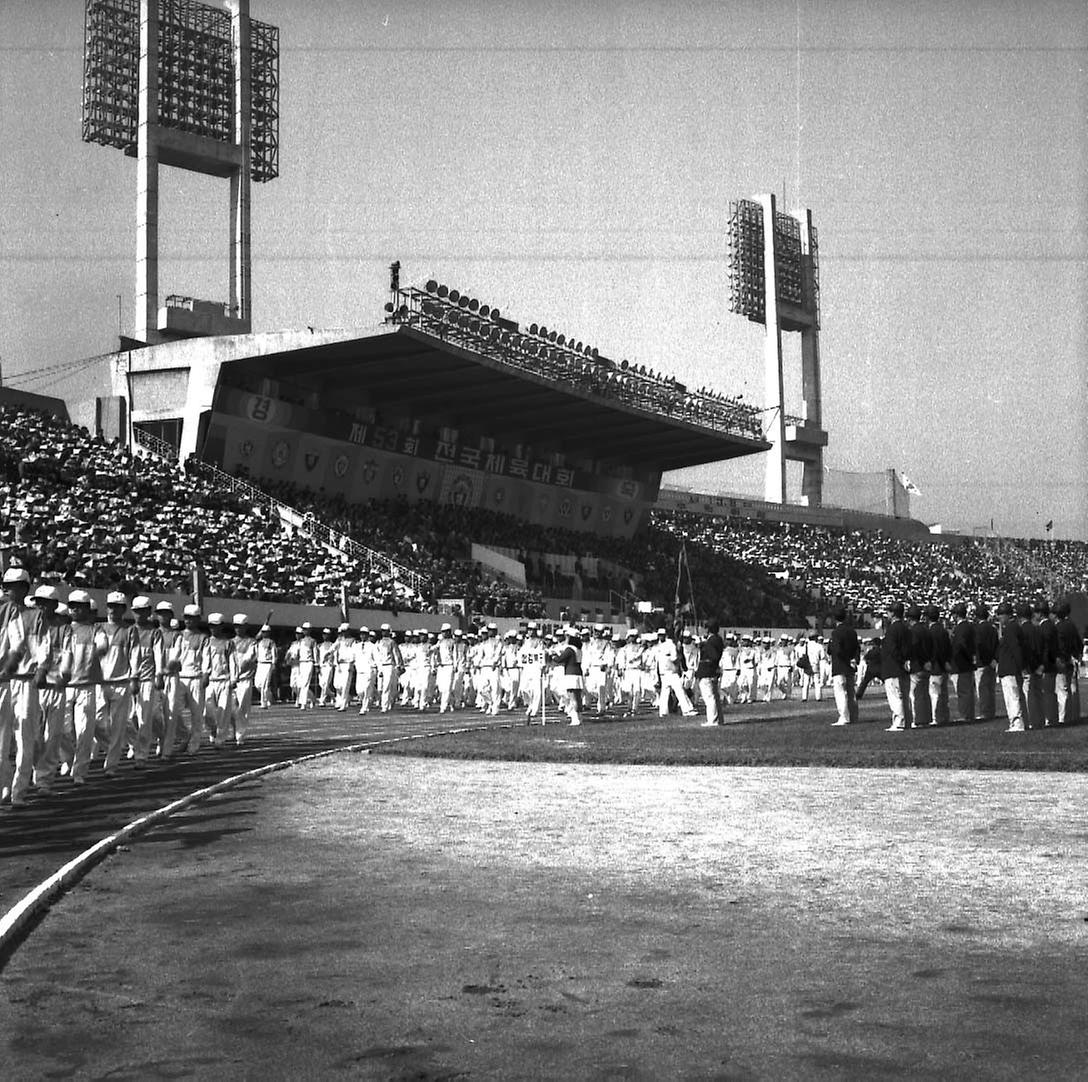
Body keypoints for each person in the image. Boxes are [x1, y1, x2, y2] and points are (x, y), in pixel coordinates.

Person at [0, 568, 43, 807]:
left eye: (14, 585)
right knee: (1, 741)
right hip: (3, 682)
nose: (9, 589)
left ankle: (19, 791)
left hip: (24, 681)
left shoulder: (33, 616)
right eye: (6, 584)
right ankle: (5, 788)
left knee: (25, 736)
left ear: (25, 588)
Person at [651, 627, 696, 719]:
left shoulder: (670, 644)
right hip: (663, 673)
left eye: (662, 635)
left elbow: (675, 658)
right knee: (665, 693)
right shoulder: (657, 647)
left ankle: (687, 710)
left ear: (665, 635)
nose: (660, 637)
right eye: (659, 635)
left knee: (679, 690)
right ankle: (663, 712)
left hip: (672, 672)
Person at [881, 602, 912, 732]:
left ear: (893, 613)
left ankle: (899, 722)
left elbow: (892, 650)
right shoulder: (906, 628)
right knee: (904, 696)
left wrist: (901, 660)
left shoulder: (892, 629)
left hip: (894, 667)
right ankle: (907, 721)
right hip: (904, 667)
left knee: (895, 697)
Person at [995, 601, 1025, 733]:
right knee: (1013, 696)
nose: (999, 618)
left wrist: (1020, 665)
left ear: (1007, 615)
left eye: (1001, 615)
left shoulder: (1010, 628)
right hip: (1011, 668)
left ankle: (1017, 723)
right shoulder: (1013, 627)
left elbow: (1015, 649)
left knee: (1012, 697)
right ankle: (1016, 722)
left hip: (1010, 668)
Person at [827, 606, 859, 726]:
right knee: (851, 693)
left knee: (840, 693)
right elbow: (857, 648)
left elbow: (837, 650)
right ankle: (854, 716)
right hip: (850, 666)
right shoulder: (852, 631)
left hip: (840, 665)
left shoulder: (836, 633)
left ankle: (844, 717)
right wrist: (853, 660)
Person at [1054, 600, 1083, 725]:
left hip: (1064, 660)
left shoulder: (1059, 627)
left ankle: (1063, 717)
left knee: (1062, 690)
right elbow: (1079, 644)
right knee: (1073, 688)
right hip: (1073, 659)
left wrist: (1062, 658)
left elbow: (1060, 646)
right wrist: (1076, 656)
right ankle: (1074, 715)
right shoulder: (1072, 625)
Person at [230, 614, 257, 745]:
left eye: (241, 626)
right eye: (236, 626)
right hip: (230, 681)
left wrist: (237, 673)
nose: (238, 629)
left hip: (244, 680)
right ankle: (235, 729)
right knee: (229, 708)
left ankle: (240, 735)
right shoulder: (230, 642)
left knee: (242, 708)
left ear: (246, 627)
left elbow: (248, 660)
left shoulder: (251, 642)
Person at [905, 604, 933, 728]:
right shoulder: (926, 630)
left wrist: (921, 662)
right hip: (928, 665)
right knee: (925, 694)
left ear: (910, 619)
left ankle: (919, 719)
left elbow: (915, 649)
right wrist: (929, 661)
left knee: (915, 695)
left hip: (918, 666)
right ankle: (927, 717)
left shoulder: (913, 631)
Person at [550, 627, 585, 726]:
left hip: (571, 674)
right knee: (577, 698)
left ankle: (575, 719)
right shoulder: (578, 649)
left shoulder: (569, 649)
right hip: (577, 673)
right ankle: (579, 717)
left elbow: (560, 659)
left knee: (572, 698)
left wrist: (553, 655)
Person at [949, 602, 976, 724]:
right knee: (968, 691)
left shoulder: (960, 628)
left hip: (961, 664)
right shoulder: (969, 626)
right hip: (968, 664)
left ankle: (965, 715)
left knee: (963, 692)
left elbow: (960, 646)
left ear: (956, 615)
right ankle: (969, 714)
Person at [694, 619, 725, 727]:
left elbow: (713, 655)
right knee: (714, 697)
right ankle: (718, 719)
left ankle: (713, 720)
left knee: (709, 697)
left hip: (708, 670)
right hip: (711, 671)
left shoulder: (712, 641)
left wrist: (704, 645)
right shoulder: (717, 639)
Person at [926, 605, 952, 727]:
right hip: (944, 666)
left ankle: (936, 717)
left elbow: (932, 650)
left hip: (935, 666)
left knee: (935, 694)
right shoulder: (943, 630)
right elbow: (948, 648)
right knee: (944, 694)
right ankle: (945, 716)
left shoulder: (930, 632)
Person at [973, 603, 998, 721]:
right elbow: (997, 645)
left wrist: (986, 659)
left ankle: (984, 712)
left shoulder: (978, 629)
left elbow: (979, 646)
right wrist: (994, 659)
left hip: (982, 662)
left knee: (982, 689)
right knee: (990, 688)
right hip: (992, 662)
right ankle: (991, 711)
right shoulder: (993, 628)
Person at [254, 624, 276, 709]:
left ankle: (264, 703)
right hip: (260, 664)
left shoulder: (271, 642)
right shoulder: (258, 642)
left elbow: (274, 653)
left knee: (264, 685)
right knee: (257, 684)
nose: (264, 634)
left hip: (268, 663)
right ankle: (270, 697)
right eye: (263, 632)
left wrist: (273, 663)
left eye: (266, 632)